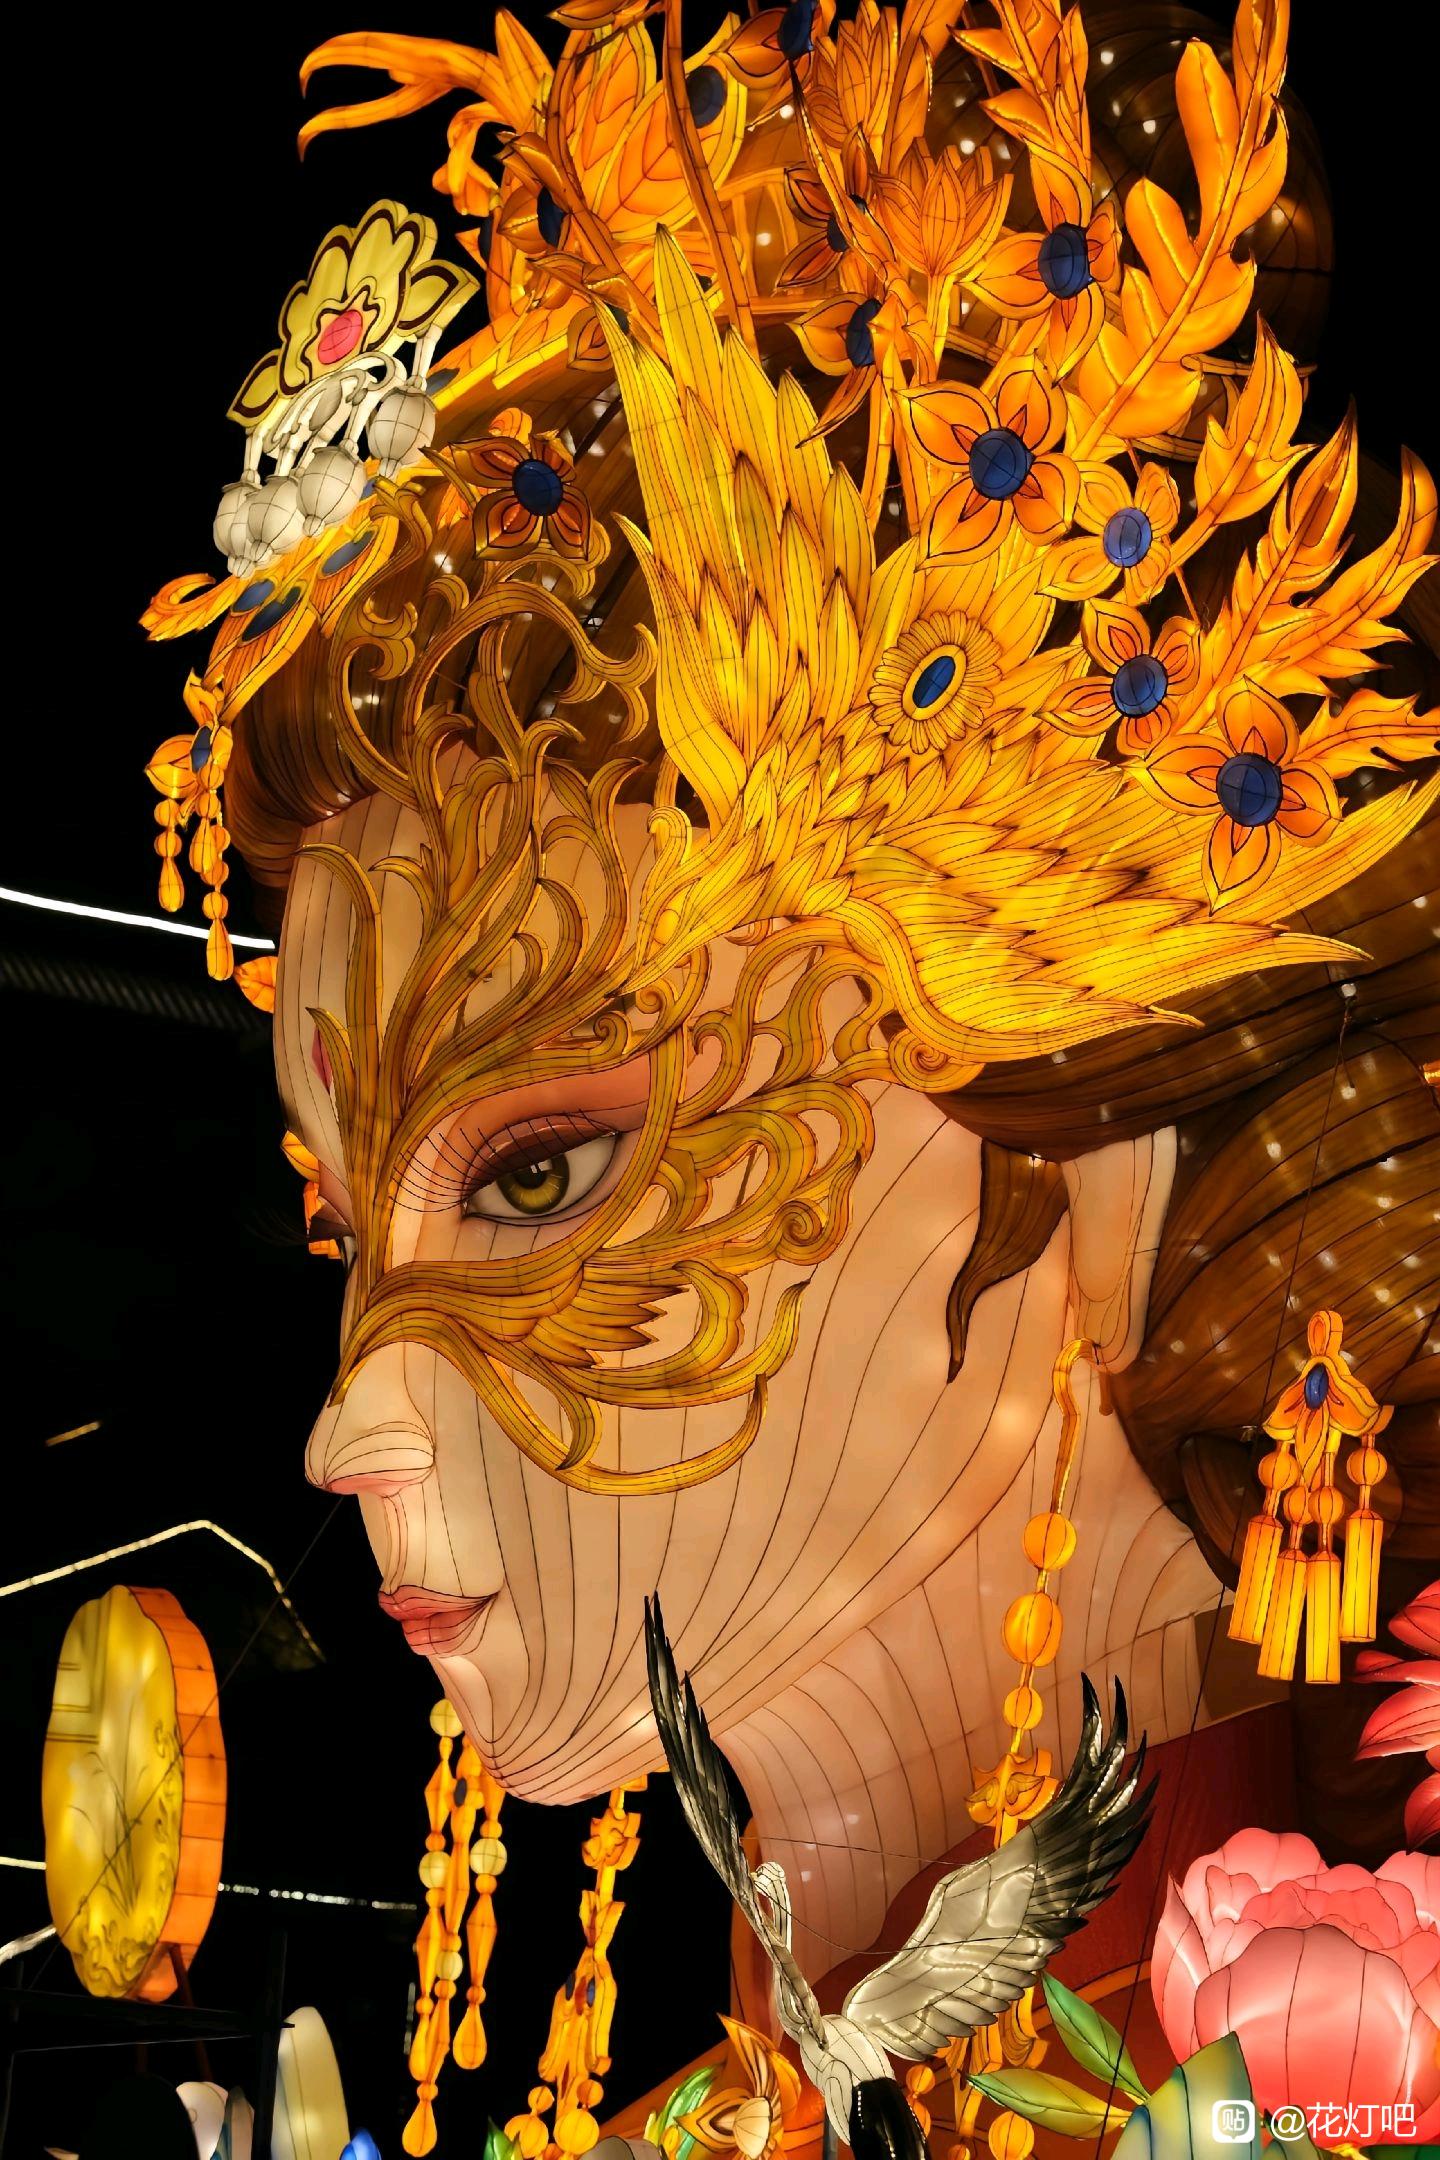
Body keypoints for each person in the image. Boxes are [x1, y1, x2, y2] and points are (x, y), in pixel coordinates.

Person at [145, 0, 1437, 1998]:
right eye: (346, 1230)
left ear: (1094, 1178)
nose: (345, 1425)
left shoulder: (1342, 2062)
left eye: (540, 1172)